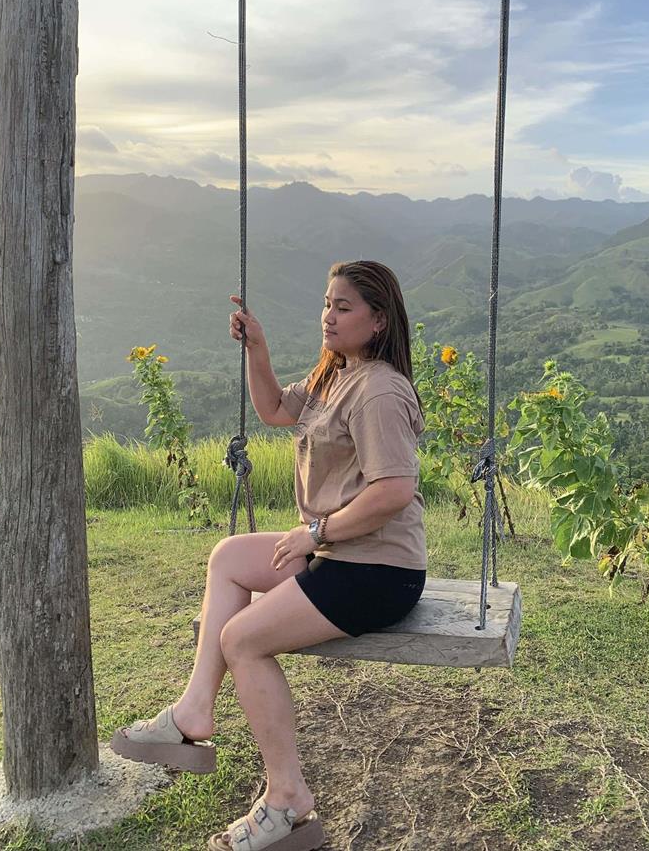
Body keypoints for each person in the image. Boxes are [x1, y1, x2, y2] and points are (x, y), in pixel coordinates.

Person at [111, 260, 428, 851]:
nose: (328, 316)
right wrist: (257, 347)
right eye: (327, 304)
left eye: (344, 307)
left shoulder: (379, 390)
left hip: (378, 570)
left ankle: (288, 799)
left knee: (243, 639)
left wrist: (317, 532)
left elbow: (394, 491)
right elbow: (276, 409)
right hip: (338, 552)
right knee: (230, 556)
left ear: (379, 321)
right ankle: (194, 712)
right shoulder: (336, 374)